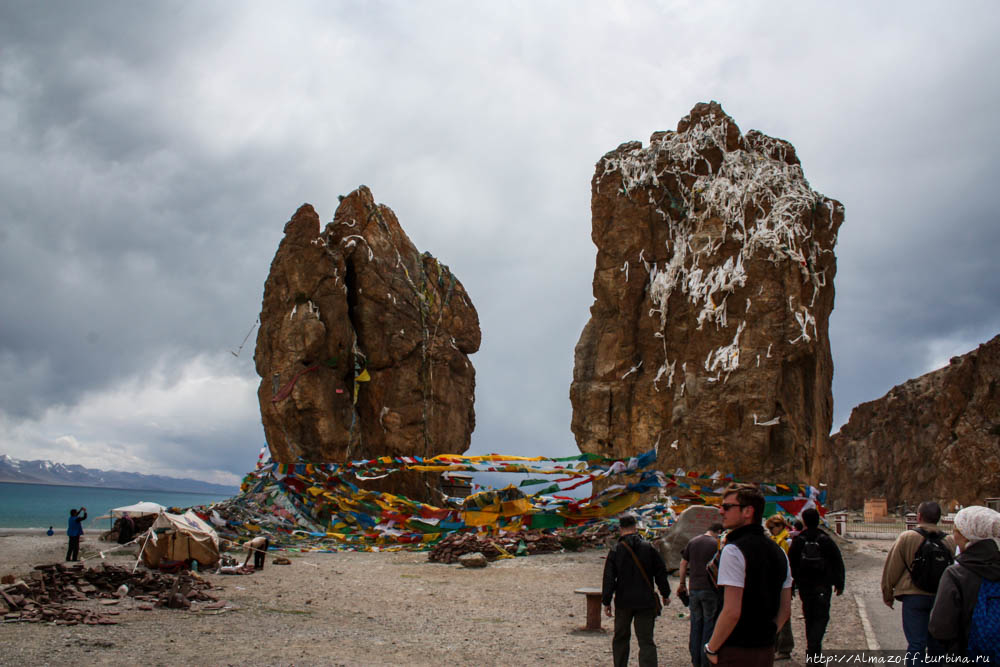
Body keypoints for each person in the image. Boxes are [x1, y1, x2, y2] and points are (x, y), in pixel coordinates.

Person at [704, 484, 792, 666]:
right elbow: (785, 609)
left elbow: (732, 611)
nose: (721, 511)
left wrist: (711, 647)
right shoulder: (779, 551)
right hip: (765, 650)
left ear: (747, 511)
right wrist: (766, 636)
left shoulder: (733, 550)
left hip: (734, 649)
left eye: (727, 507)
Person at [881, 500, 955, 663]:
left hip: (913, 596)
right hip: (940, 598)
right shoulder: (949, 541)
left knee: (916, 644)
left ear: (919, 517)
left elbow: (892, 568)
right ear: (939, 518)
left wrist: (888, 594)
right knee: (937, 645)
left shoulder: (907, 537)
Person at [929, 505, 1000, 658]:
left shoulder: (957, 574)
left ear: (967, 536)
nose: (953, 536)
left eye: (956, 531)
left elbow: (940, 628)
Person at [601, 513, 671, 667]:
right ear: (635, 526)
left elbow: (609, 577)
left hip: (623, 601)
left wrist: (606, 601)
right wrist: (665, 594)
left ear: (621, 528)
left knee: (620, 638)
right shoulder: (649, 547)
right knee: (646, 640)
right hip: (645, 601)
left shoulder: (616, 549)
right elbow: (660, 572)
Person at [788, 507, 845, 661]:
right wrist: (839, 583)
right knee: (822, 617)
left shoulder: (798, 540)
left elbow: (791, 564)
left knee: (809, 616)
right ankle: (814, 649)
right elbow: (837, 561)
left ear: (804, 521)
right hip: (823, 585)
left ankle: (813, 650)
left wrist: (791, 585)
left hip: (805, 585)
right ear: (818, 520)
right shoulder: (825, 539)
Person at [678, 522, 724, 667]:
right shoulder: (716, 544)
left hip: (694, 589)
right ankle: (706, 661)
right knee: (709, 624)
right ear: (718, 532)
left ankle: (695, 660)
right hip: (710, 589)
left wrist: (682, 584)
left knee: (695, 624)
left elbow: (683, 564)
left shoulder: (693, 541)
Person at [766, 514, 795, 660]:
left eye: (772, 528)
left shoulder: (787, 541)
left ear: (780, 526)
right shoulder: (773, 541)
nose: (771, 531)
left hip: (783, 582)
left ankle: (785, 648)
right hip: (773, 582)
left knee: (784, 614)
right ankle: (775, 646)